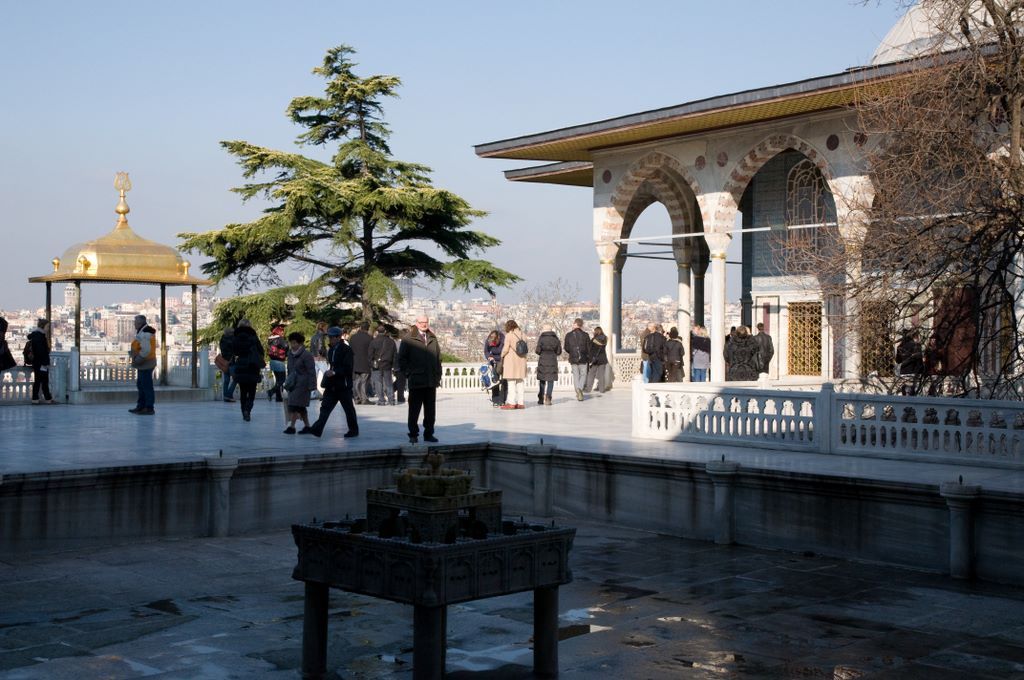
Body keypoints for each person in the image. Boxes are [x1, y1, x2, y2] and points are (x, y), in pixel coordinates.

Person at [397, 315, 442, 443]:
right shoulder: (408, 338)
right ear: (416, 323)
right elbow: (402, 359)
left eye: (426, 322)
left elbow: (438, 358)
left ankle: (429, 433)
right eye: (421, 322)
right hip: (416, 380)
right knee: (414, 410)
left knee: (430, 411)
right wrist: (409, 373)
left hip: (431, 381)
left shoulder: (433, 338)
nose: (424, 324)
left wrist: (438, 374)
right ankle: (413, 434)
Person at [309, 326, 359, 438]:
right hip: (332, 385)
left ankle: (353, 430)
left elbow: (348, 368)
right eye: (329, 337)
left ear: (338, 337)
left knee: (348, 409)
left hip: (343, 385)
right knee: (325, 407)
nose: (330, 339)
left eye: (332, 337)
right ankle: (317, 429)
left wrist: (335, 372)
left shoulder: (346, 350)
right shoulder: (331, 350)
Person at [231, 319, 265, 422]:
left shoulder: (236, 337)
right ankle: (248, 410)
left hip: (241, 364)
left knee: (243, 391)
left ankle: (243, 411)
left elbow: (233, 350)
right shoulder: (253, 336)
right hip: (252, 366)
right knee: (252, 390)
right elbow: (261, 350)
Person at [283, 332, 317, 434]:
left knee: (295, 405)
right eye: (291, 343)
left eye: (294, 343)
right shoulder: (290, 354)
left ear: (300, 343)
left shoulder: (306, 355)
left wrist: (312, 385)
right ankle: (307, 426)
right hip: (293, 384)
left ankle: (292, 427)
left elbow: (311, 371)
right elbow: (289, 369)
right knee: (301, 407)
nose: (292, 345)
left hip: (303, 384)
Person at [128, 315, 156, 414]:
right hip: (145, 363)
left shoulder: (145, 333)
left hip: (146, 363)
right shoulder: (144, 331)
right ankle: (141, 406)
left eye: (135, 322)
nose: (134, 324)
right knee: (141, 385)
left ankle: (148, 408)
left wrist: (138, 359)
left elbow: (146, 350)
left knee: (146, 386)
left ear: (139, 323)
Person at [499, 320, 528, 410]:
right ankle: (520, 403)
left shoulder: (509, 335)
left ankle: (511, 403)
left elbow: (505, 349)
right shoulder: (523, 334)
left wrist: (501, 356)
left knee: (511, 382)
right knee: (520, 382)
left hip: (511, 362)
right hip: (522, 361)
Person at [27, 319, 55, 405]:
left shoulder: (36, 335)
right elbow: (41, 351)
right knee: (43, 381)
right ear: (43, 326)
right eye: (47, 326)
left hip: (37, 362)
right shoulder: (39, 336)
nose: (48, 328)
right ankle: (47, 398)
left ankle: (36, 399)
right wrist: (45, 362)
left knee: (38, 381)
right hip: (41, 363)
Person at [369, 325, 397, 406]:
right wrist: (394, 365)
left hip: (377, 365)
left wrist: (372, 363)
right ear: (385, 332)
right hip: (387, 364)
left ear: (377, 332)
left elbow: (370, 355)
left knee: (378, 383)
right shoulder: (391, 341)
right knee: (388, 383)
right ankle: (391, 400)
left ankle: (381, 400)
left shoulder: (373, 342)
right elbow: (394, 354)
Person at [563, 318, 590, 401]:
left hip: (573, 358)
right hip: (583, 358)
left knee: (576, 375)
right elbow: (589, 348)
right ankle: (580, 389)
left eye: (573, 323)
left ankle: (578, 391)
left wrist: (572, 352)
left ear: (575, 324)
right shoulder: (585, 335)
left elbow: (566, 347)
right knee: (583, 374)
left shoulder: (568, 335)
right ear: (581, 325)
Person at [534, 324, 562, 406]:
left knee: (542, 379)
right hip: (552, 360)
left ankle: (540, 398)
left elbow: (537, 350)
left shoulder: (541, 338)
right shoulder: (555, 338)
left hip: (543, 360)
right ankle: (548, 397)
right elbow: (559, 351)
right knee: (551, 380)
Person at [348, 321, 373, 405]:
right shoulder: (369, 338)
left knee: (356, 381)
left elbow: (350, 350)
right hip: (365, 363)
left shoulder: (353, 337)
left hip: (355, 362)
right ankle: (364, 399)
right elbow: (371, 351)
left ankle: (356, 398)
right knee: (364, 382)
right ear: (367, 328)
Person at [484, 329, 506, 407]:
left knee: (504, 381)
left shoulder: (503, 340)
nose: (492, 344)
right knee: (495, 381)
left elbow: (505, 351)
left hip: (502, 360)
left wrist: (500, 358)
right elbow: (486, 351)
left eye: (494, 343)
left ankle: (503, 400)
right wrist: (489, 357)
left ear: (498, 338)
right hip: (493, 361)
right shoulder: (488, 340)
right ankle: (495, 400)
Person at [584, 326, 609, 394]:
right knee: (601, 375)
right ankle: (602, 389)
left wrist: (590, 359)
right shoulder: (605, 339)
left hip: (595, 359)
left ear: (596, 332)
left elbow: (590, 350)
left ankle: (588, 389)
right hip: (603, 359)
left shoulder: (593, 340)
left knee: (591, 374)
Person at [266, 326, 288, 402]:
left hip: (272, 361)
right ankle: (271, 391)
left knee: (278, 380)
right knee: (282, 379)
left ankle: (278, 398)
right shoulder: (279, 339)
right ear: (278, 332)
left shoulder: (270, 339)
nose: (283, 333)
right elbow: (286, 346)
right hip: (279, 361)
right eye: (282, 331)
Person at [218, 326, 237, 403]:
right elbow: (235, 350)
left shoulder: (222, 339)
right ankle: (228, 395)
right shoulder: (233, 339)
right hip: (231, 362)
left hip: (224, 362)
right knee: (236, 379)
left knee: (226, 380)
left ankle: (226, 396)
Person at [394, 327, 409, 404]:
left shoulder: (395, 343)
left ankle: (391, 390)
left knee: (399, 381)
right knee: (401, 382)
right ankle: (400, 397)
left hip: (396, 365)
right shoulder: (405, 344)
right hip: (402, 365)